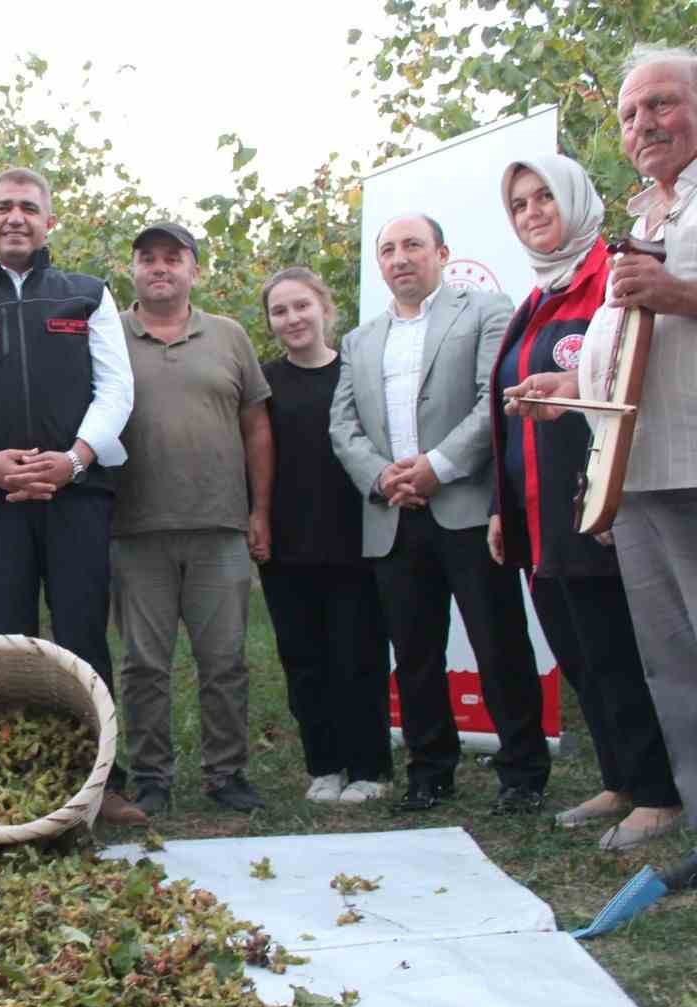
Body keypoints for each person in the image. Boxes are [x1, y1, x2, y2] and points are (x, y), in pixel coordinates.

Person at [507, 45, 697, 838]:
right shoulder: (643, 217)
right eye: (628, 115)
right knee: (672, 663)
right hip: (641, 468)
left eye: (660, 103)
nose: (643, 124)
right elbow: (631, 353)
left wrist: (681, 293)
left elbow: (672, 307)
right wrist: (569, 388)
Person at [0, 166, 145, 826]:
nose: (15, 217)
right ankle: (20, 783)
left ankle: (99, 783)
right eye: (3, 208)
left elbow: (117, 390)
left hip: (78, 495)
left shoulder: (88, 295)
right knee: (6, 644)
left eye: (28, 208)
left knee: (81, 638)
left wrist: (74, 460)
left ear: (49, 222)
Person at [331, 213, 550, 815]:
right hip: (393, 515)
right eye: (388, 249)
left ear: (442, 252)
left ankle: (523, 771)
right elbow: (343, 425)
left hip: (465, 506)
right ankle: (429, 770)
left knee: (498, 641)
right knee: (416, 651)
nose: (399, 258)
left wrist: (439, 465)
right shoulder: (359, 339)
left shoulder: (484, 311)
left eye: (412, 245)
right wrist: (383, 477)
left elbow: (492, 402)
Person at [110, 223, 274, 814]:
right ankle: (151, 775)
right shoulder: (107, 337)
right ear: (132, 270)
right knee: (143, 665)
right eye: (147, 258)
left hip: (219, 526)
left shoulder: (228, 337)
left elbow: (256, 426)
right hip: (134, 528)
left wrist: (260, 511)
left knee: (225, 660)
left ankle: (226, 773)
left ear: (193, 271)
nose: (160, 267)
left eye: (173, 258)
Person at [257, 268, 393, 804]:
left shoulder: (358, 374)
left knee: (357, 655)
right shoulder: (264, 386)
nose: (292, 319)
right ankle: (325, 765)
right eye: (280, 310)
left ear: (324, 309)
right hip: (287, 545)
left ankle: (369, 768)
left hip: (355, 541)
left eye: (301, 306)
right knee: (303, 658)